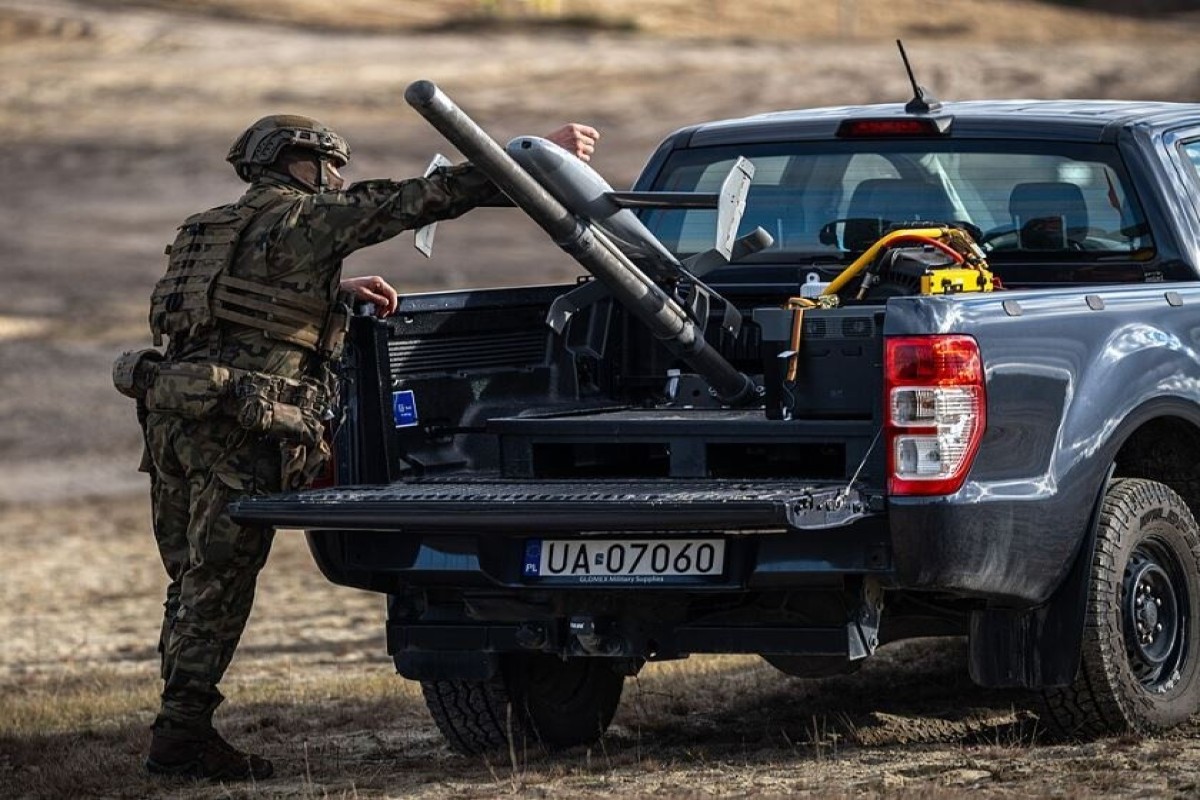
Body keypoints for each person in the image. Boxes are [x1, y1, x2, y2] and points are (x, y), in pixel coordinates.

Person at [119, 113, 599, 781]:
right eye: (329, 167)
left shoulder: (206, 227)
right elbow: (421, 198)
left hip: (173, 418)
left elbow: (219, 310)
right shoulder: (307, 219)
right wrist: (534, 159)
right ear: (299, 162)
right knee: (216, 586)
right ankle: (182, 735)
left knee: (190, 582)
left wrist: (327, 293)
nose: (336, 179)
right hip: (241, 428)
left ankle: (180, 721)